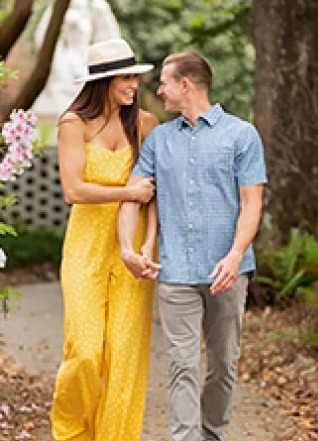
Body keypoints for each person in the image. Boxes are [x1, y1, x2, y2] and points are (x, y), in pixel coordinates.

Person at [118, 52, 266, 441]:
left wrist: (235, 256)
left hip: (227, 271)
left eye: (164, 82)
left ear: (186, 85)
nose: (159, 90)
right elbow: (134, 196)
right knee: (183, 365)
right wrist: (130, 248)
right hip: (175, 273)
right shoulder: (159, 141)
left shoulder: (242, 135)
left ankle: (211, 434)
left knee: (223, 364)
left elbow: (252, 204)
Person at [51, 38, 161, 441]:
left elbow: (155, 196)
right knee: (84, 350)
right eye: (126, 77)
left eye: (135, 76)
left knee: (124, 359)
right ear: (105, 81)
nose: (134, 84)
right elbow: (74, 190)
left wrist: (148, 247)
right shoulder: (73, 123)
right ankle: (69, 432)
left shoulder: (146, 125)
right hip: (85, 247)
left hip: (133, 249)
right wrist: (126, 193)